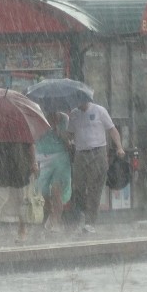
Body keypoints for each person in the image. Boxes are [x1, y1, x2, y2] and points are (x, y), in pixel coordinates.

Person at [67, 100, 125, 234]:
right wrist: (69, 140)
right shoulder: (74, 114)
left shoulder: (100, 111)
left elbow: (112, 130)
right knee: (78, 186)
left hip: (98, 152)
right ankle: (81, 213)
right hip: (81, 153)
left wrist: (119, 147)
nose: (79, 104)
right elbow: (69, 132)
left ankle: (90, 221)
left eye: (81, 100)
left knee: (95, 187)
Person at [34, 110, 71, 233]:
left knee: (57, 190)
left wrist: (59, 132)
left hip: (60, 157)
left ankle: (56, 221)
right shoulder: (37, 117)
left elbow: (67, 141)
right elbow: (33, 137)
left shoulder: (64, 118)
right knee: (42, 191)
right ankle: (52, 213)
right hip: (42, 156)